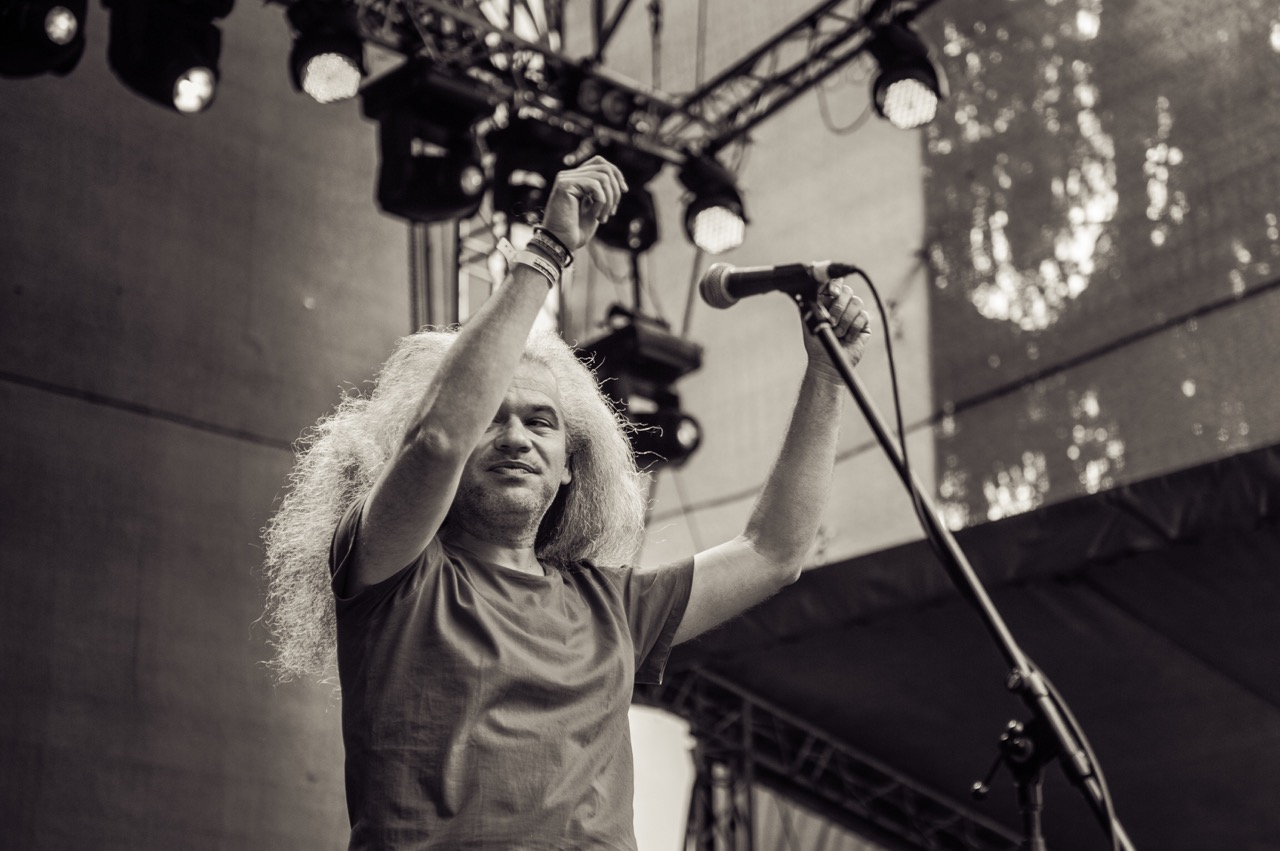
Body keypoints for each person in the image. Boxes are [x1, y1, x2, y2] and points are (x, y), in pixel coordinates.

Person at [261, 155, 872, 850]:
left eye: (541, 422)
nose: (515, 436)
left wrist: (828, 378)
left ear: (570, 471)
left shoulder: (609, 605)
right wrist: (547, 252)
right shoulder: (394, 571)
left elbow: (774, 553)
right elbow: (437, 439)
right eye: (492, 415)